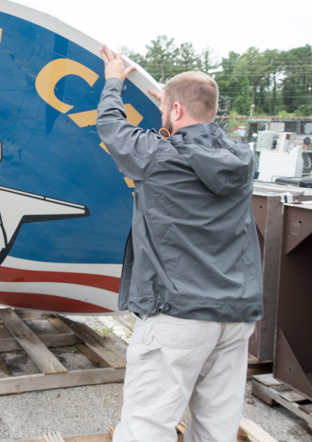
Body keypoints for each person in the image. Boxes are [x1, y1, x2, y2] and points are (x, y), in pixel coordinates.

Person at [96, 45, 263, 442]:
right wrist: (175, 106)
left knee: (146, 426)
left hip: (179, 315)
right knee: (217, 427)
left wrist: (114, 82)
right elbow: (203, 133)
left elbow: (111, 127)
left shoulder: (157, 156)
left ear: (173, 113)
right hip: (236, 316)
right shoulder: (242, 157)